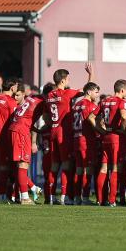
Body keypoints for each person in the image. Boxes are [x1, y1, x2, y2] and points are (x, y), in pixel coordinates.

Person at [44, 64, 93, 205]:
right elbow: (86, 90)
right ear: (63, 80)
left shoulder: (49, 96)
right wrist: (91, 74)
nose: (69, 81)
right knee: (66, 165)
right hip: (63, 132)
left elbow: (46, 116)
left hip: (53, 131)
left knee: (54, 166)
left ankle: (51, 196)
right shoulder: (66, 93)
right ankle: (65, 196)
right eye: (68, 79)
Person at [95, 80, 126, 207]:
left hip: (106, 136)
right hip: (116, 137)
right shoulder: (121, 102)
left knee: (104, 168)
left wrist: (101, 130)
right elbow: (124, 117)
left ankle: (100, 200)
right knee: (115, 168)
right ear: (122, 90)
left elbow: (93, 117)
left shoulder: (104, 101)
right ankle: (112, 200)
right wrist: (123, 130)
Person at [8, 84, 44, 204]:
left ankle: (30, 190)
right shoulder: (41, 101)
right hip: (21, 132)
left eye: (17, 95)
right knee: (23, 165)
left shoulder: (27, 102)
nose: (15, 98)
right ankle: (24, 197)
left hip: (15, 130)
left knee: (19, 166)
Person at [71, 82, 101, 206]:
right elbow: (93, 124)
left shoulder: (76, 105)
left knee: (79, 170)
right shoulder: (90, 105)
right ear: (88, 92)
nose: (97, 95)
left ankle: (77, 197)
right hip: (86, 141)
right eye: (96, 92)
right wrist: (101, 132)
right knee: (88, 170)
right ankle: (85, 198)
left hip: (76, 139)